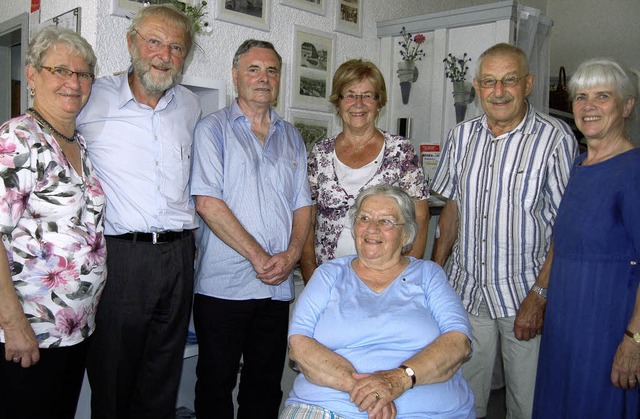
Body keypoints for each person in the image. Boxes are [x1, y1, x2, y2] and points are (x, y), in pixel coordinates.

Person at [430, 43, 578, 418]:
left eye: (509, 80)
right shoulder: (460, 136)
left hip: (524, 296)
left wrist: (541, 294)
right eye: (490, 82)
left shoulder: (555, 138)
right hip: (466, 293)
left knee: (527, 406)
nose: (499, 92)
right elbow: (452, 209)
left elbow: (567, 226)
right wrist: (433, 275)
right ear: (477, 87)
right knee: (461, 401)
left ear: (527, 84)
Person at [76, 4, 201, 418]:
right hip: (121, 258)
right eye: (154, 41)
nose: (164, 55)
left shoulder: (189, 107)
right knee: (113, 375)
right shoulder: (93, 98)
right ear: (131, 43)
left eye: (176, 47)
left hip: (180, 256)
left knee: (162, 374)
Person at [190, 39, 312, 419]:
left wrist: (291, 256)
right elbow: (207, 203)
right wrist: (261, 258)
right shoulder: (212, 129)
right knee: (215, 383)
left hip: (275, 289)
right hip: (222, 286)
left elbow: (303, 205)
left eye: (272, 70)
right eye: (254, 69)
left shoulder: (291, 136)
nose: (264, 78)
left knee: (264, 385)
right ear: (235, 76)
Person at [281, 184, 473, 419]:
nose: (372, 229)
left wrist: (398, 380)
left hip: (426, 409)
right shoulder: (329, 275)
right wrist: (368, 390)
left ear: (406, 234)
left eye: (386, 221)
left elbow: (458, 342)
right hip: (329, 406)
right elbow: (299, 345)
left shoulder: (428, 275)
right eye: (364, 218)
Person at [0, 27, 105, 419]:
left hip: (75, 329)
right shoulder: (17, 139)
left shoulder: (78, 143)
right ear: (32, 75)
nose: (72, 83)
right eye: (60, 70)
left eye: (82, 74)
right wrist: (12, 323)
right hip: (30, 330)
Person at [533, 58, 640, 418]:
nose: (588, 106)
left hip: (607, 325)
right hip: (566, 322)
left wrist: (634, 340)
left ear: (627, 105)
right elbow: (563, 244)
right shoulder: (580, 165)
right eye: (581, 97)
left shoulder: (634, 169)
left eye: (603, 96)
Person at [299, 59, 429, 283]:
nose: (358, 103)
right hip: (330, 279)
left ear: (379, 103)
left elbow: (421, 217)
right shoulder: (320, 153)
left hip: (385, 279)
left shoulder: (400, 151)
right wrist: (311, 273)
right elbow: (307, 221)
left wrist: (403, 279)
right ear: (338, 103)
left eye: (368, 95)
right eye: (349, 94)